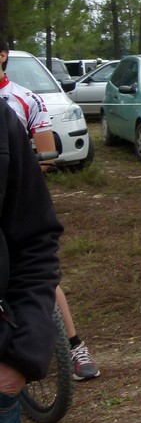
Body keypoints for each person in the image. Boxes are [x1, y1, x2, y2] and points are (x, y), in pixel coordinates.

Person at [0, 42, 100, 382]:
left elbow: (46, 151)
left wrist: (25, 175)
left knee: (44, 275)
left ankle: (74, 344)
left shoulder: (27, 99)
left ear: (2, 56)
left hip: (20, 195)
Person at [0, 99, 63, 423]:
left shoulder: (8, 112)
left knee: (57, 290)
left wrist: (23, 355)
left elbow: (34, 240)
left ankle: (74, 344)